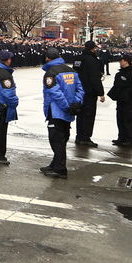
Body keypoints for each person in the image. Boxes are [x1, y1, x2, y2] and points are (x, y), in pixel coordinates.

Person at [40, 47, 85, 179]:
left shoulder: (50, 73)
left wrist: (66, 106)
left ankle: (60, 169)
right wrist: (75, 103)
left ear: (48, 58)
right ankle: (55, 164)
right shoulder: (71, 70)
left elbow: (55, 93)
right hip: (69, 110)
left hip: (57, 111)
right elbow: (80, 89)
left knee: (56, 140)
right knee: (62, 138)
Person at [72, 40, 105, 148]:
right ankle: (85, 138)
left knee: (80, 115)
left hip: (79, 91)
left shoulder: (78, 58)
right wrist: (101, 93)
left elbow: (75, 73)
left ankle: (79, 136)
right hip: (89, 92)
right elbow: (95, 78)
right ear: (93, 48)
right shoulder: (92, 60)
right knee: (88, 115)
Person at [107, 56, 132, 148]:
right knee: (120, 120)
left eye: (121, 60)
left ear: (126, 61)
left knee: (128, 121)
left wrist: (127, 91)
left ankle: (129, 140)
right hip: (120, 100)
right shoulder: (119, 73)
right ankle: (121, 138)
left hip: (130, 100)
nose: (120, 62)